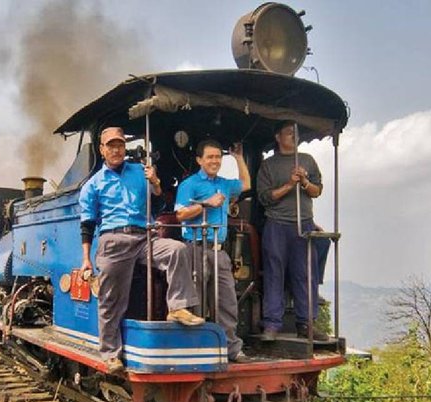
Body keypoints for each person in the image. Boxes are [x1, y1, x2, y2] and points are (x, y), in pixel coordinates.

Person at [79, 127, 204, 375]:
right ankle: (111, 355)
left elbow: (159, 204)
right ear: (101, 150)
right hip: (113, 241)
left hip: (144, 236)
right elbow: (87, 223)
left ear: (125, 148)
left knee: (177, 249)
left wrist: (156, 184)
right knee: (110, 299)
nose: (116, 150)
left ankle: (178, 307)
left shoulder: (141, 172)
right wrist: (86, 258)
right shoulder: (93, 184)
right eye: (110, 145)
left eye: (120, 145)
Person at [175, 139, 250, 363]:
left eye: (218, 157)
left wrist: (237, 157)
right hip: (195, 247)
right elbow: (180, 215)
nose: (214, 161)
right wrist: (206, 203)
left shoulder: (225, 184)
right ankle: (196, 349)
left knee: (227, 300)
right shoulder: (189, 184)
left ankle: (231, 348)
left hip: (219, 249)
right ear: (200, 160)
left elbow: (246, 184)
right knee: (195, 301)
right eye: (210, 157)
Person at [257, 120, 328, 341]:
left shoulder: (307, 160)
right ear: (278, 137)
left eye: (296, 132)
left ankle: (306, 324)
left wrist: (304, 181)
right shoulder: (268, 165)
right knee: (274, 275)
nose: (294, 136)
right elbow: (265, 198)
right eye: (289, 133)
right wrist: (290, 183)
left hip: (303, 223)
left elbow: (317, 191)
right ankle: (272, 325)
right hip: (276, 224)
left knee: (304, 274)